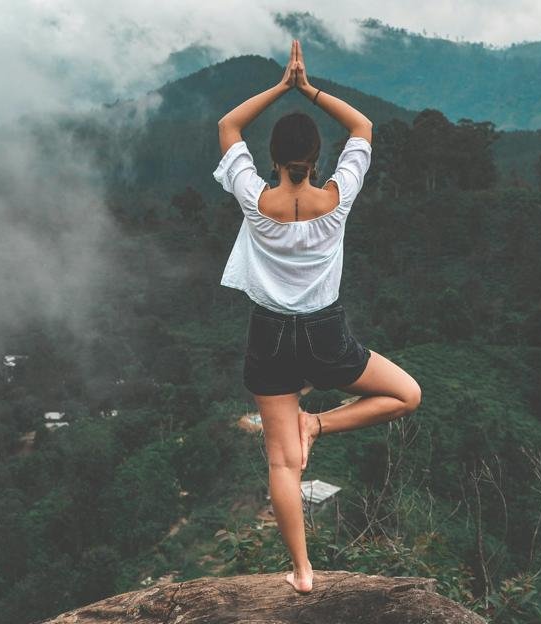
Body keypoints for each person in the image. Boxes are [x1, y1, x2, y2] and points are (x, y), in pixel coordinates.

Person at [212, 39, 421, 594]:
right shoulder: (338, 196)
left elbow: (228, 127)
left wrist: (280, 86)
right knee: (407, 395)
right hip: (327, 336)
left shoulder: (254, 198)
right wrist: (311, 89)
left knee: (284, 466)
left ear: (274, 160)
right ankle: (321, 424)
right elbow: (364, 128)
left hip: (269, 337)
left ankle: (303, 572)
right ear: (316, 159)